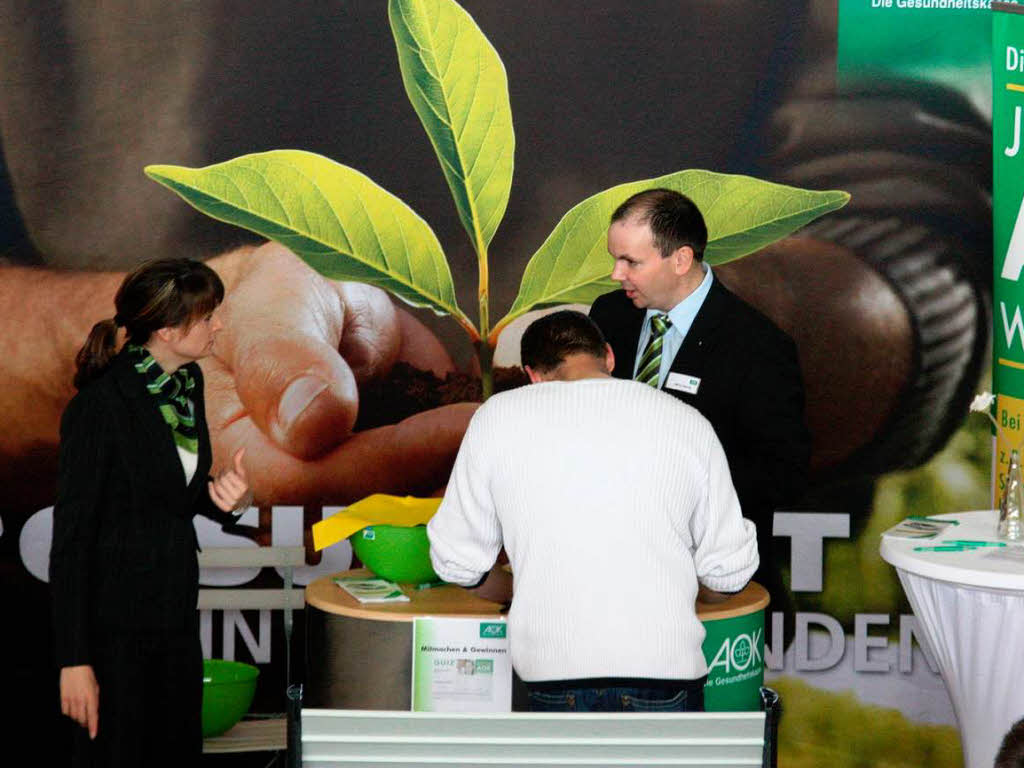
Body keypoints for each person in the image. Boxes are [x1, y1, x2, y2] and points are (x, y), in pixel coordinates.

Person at [427, 310, 758, 712]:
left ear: (533, 375)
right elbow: (727, 576)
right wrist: (673, 588)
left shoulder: (497, 417)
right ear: (609, 356)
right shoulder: (686, 421)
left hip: (553, 677)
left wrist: (527, 589)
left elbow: (459, 565)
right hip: (666, 675)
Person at [50, 259, 252, 767]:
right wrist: (74, 660)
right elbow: (72, 541)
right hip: (112, 636)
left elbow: (168, 495)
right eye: (208, 317)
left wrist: (224, 497)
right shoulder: (99, 407)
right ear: (166, 329)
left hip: (174, 621)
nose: (219, 326)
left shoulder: (189, 387)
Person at [588, 189, 810, 617]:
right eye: (615, 258)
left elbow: (784, 472)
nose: (617, 274)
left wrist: (682, 492)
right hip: (608, 570)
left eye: (631, 262)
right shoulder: (608, 315)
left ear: (681, 259)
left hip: (706, 584)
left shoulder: (757, 345)